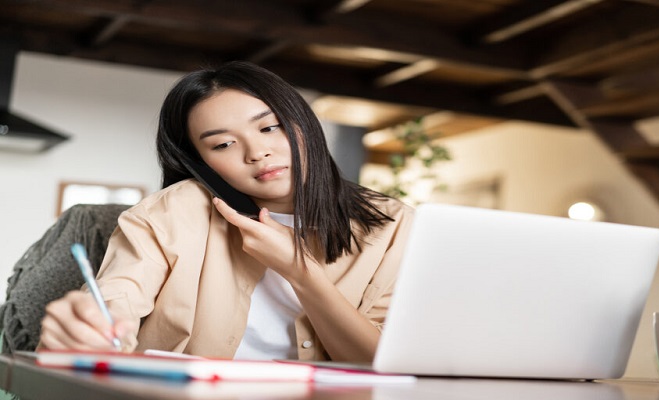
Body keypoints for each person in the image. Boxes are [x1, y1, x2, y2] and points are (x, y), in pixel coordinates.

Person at [37, 61, 414, 362]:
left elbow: (380, 362)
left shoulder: (392, 225)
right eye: (223, 144)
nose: (256, 152)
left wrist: (300, 272)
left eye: (270, 127)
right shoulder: (168, 214)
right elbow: (117, 300)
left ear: (305, 126)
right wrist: (88, 332)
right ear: (200, 162)